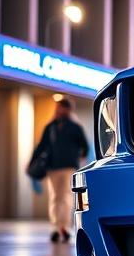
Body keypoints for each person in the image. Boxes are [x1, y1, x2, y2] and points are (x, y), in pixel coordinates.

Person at [29, 97, 89, 242]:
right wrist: (32, 161)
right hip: (53, 167)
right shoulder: (50, 127)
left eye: (61, 107)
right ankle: (56, 228)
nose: (58, 110)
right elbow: (41, 146)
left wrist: (80, 158)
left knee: (66, 196)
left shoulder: (75, 127)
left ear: (68, 109)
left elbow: (85, 146)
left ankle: (64, 227)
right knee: (55, 198)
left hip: (69, 167)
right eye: (57, 107)